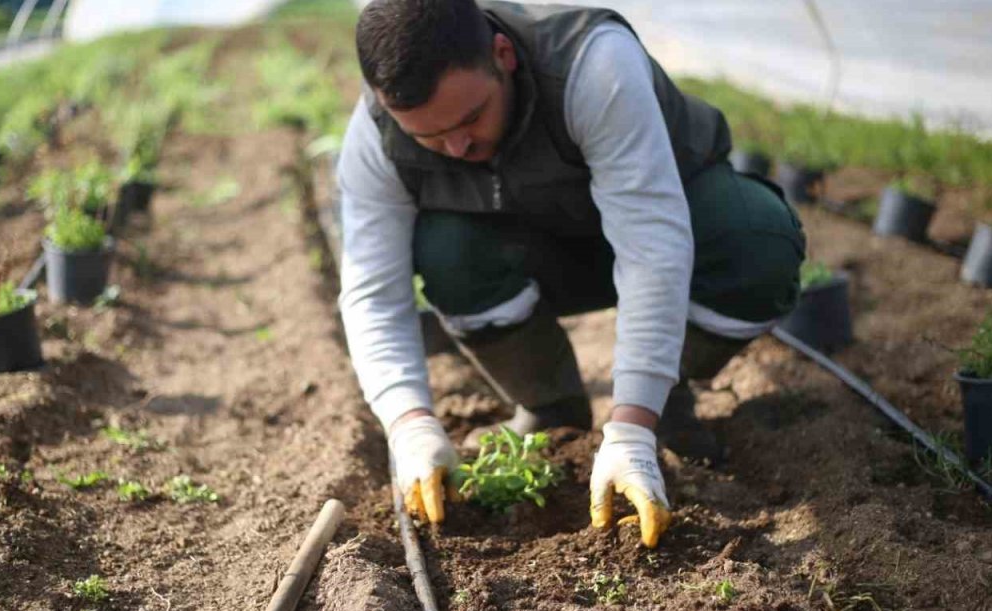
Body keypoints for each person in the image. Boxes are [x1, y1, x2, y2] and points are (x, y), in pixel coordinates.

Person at [337, 0, 805, 548]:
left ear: (503, 55)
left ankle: (666, 400)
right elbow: (371, 291)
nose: (457, 147)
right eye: (429, 137)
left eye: (470, 118)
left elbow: (651, 244)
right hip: (537, 251)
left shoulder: (592, 65)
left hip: (674, 232)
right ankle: (551, 410)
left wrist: (632, 425)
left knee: (759, 242)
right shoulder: (376, 136)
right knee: (447, 248)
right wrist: (410, 425)